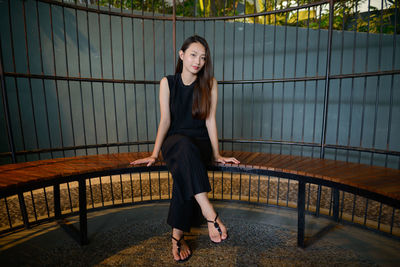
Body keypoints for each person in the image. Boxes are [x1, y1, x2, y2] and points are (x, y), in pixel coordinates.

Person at [130, 35, 239, 262]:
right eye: (193, 55)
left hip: (199, 145)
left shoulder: (210, 83)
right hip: (174, 143)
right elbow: (165, 121)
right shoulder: (167, 82)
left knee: (184, 170)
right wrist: (154, 153)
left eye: (202, 57)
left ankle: (177, 237)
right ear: (181, 55)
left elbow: (210, 121)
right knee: (182, 148)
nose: (197, 61)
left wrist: (217, 154)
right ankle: (209, 213)